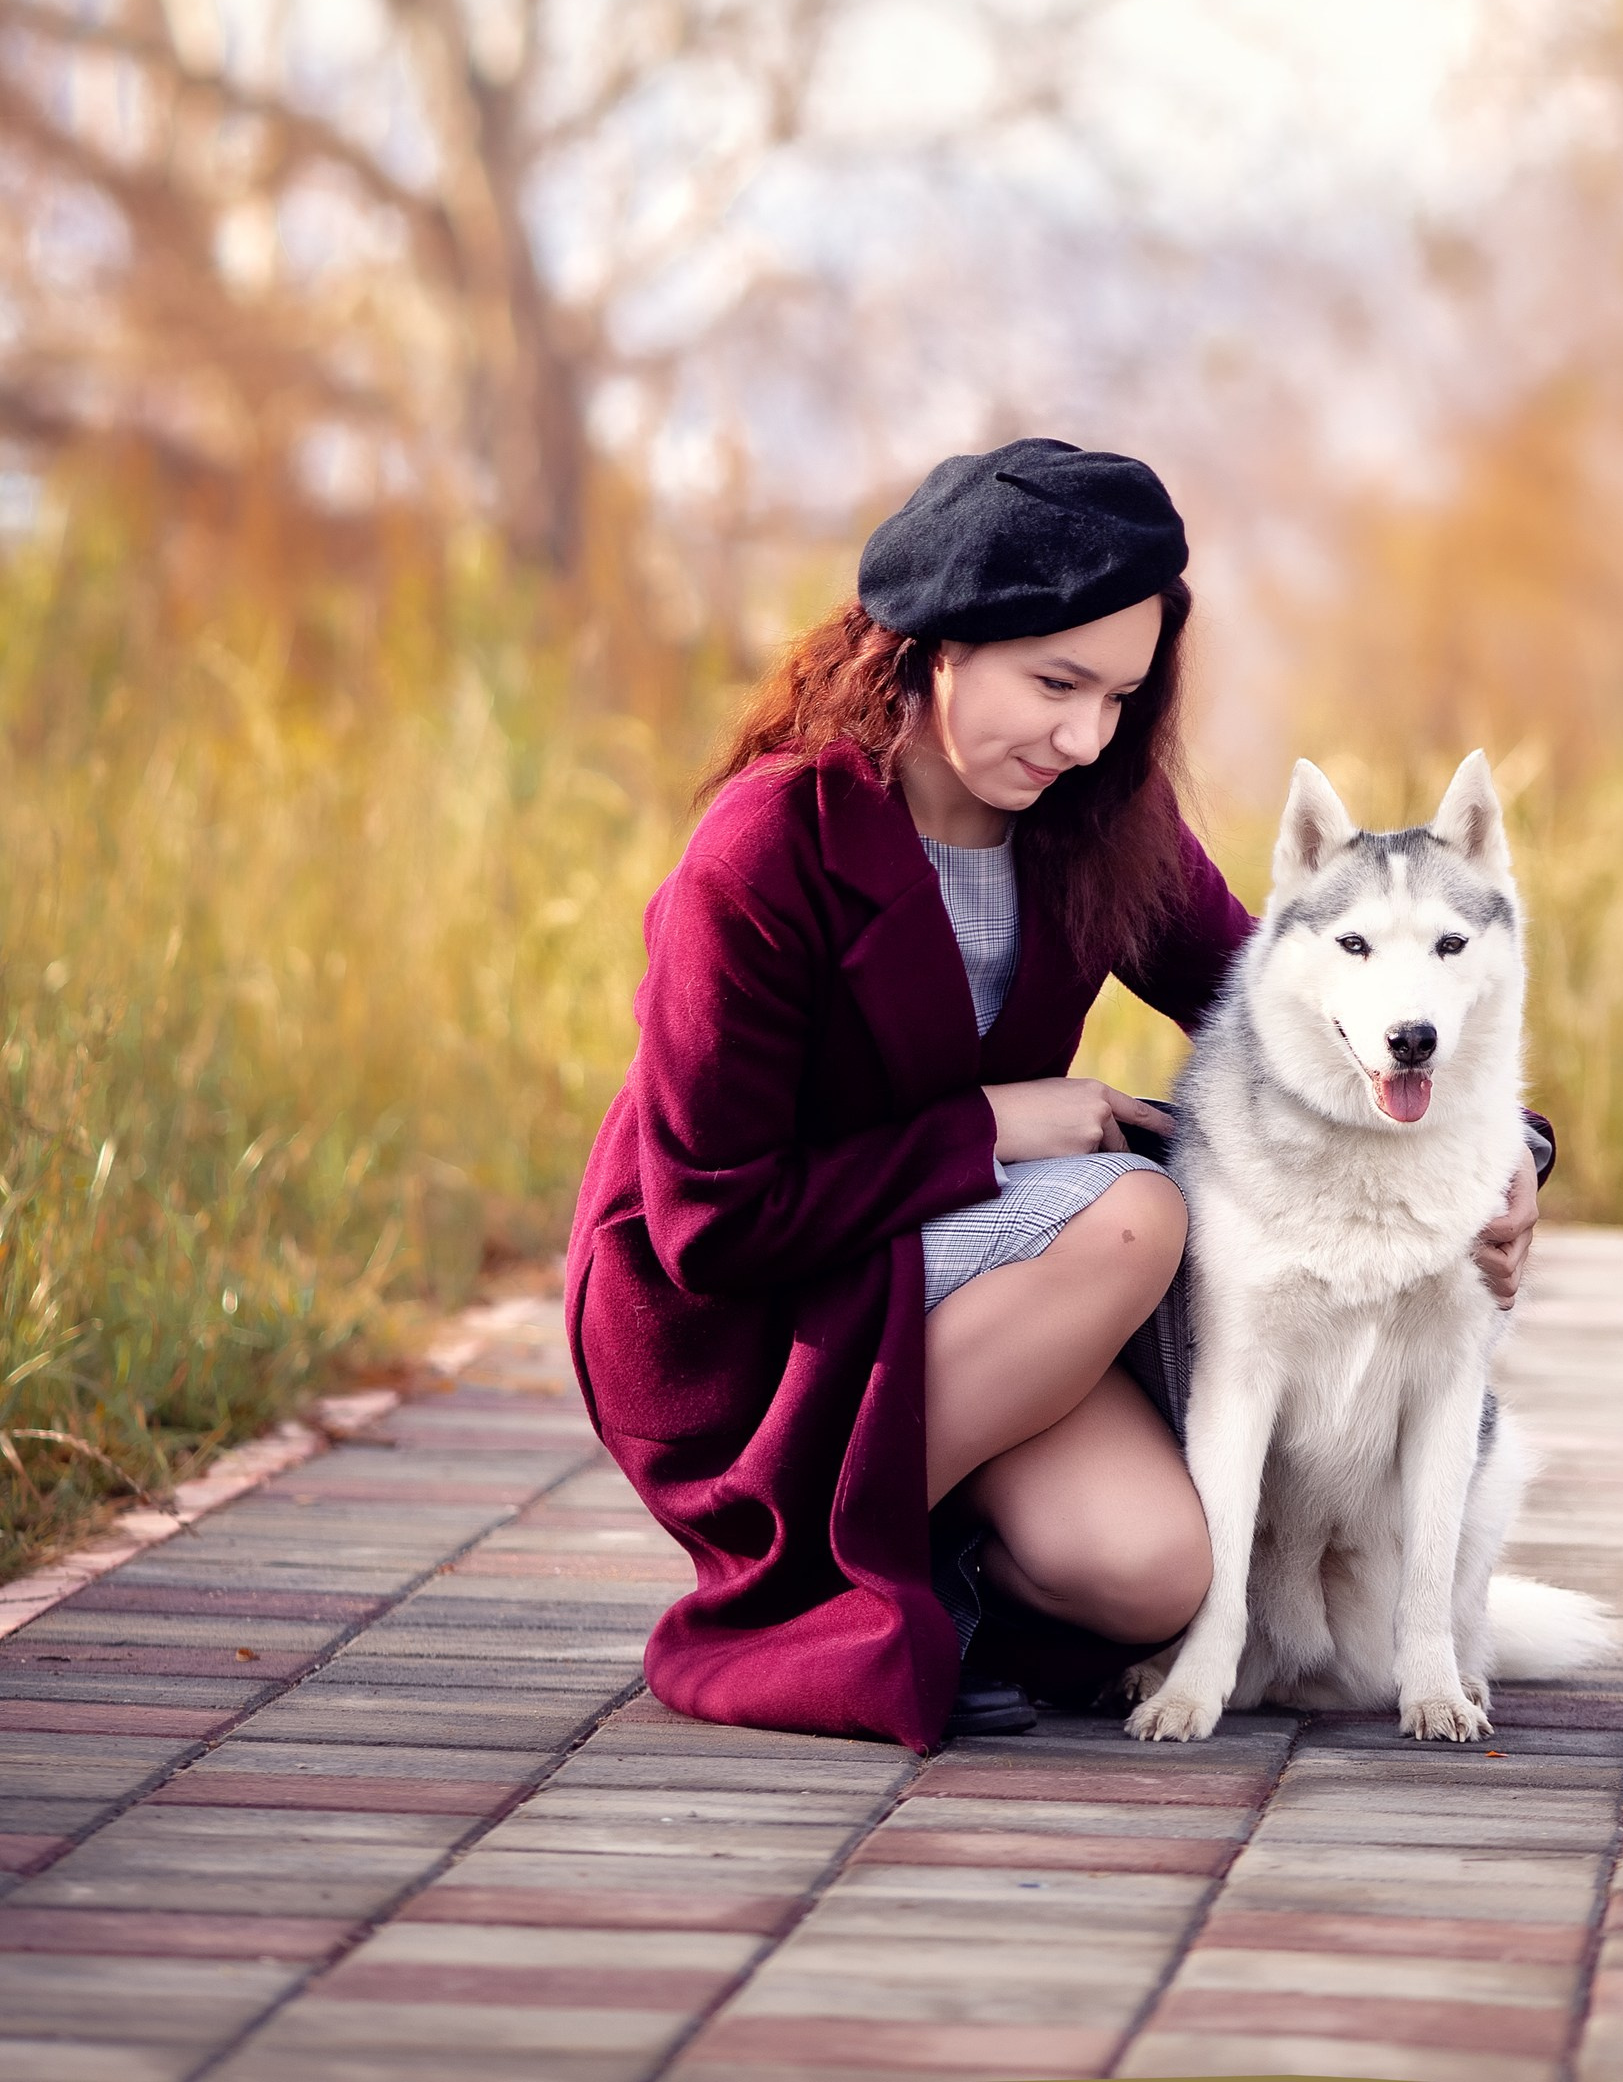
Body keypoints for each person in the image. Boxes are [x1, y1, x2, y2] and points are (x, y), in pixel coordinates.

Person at [565, 436, 1547, 1748]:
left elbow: (1293, 999)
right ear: (933, 644)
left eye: (1120, 698)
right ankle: (816, 1587)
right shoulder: (763, 853)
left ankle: (960, 1591)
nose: (1084, 737)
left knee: (1156, 1575)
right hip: (748, 1310)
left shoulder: (1098, 824)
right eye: (1054, 683)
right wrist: (988, 1128)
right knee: (1136, 1212)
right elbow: (710, 1227)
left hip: (955, 1279)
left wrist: (1506, 1144)